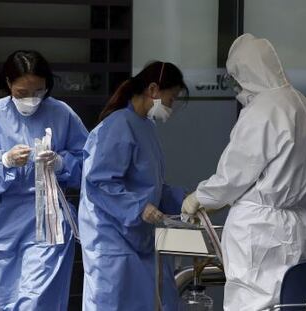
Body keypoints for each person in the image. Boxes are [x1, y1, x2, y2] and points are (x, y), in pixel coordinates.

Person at [181, 33, 306, 311]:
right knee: (298, 303)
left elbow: (234, 175)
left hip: (260, 233)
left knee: (254, 305)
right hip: (304, 228)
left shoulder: (263, 110)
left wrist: (201, 197)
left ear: (246, 72)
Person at [0, 50, 88, 311]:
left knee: (37, 301)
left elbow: (90, 162)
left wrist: (62, 163)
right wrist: (3, 161)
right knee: (0, 301)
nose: (31, 100)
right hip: (1, 229)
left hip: (48, 224)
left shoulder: (62, 114)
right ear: (8, 84)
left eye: (39, 92)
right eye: (22, 93)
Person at [79, 61, 188, 311]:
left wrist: (186, 199)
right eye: (171, 99)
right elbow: (100, 182)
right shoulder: (118, 125)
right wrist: (139, 207)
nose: (171, 107)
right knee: (115, 303)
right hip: (112, 239)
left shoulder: (145, 127)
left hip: (137, 237)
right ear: (153, 90)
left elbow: (150, 184)